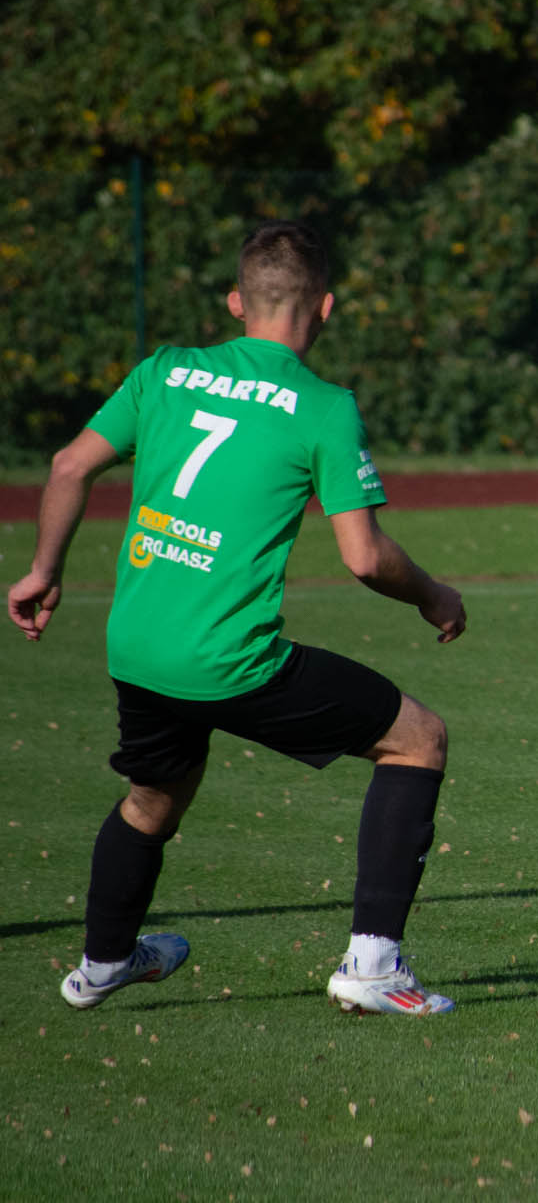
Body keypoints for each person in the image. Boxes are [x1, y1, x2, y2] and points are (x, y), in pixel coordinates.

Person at [8, 220, 468, 1016]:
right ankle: (374, 966)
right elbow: (363, 556)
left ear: (235, 302)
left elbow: (69, 464)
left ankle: (104, 961)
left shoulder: (166, 371)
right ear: (324, 309)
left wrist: (45, 568)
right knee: (417, 739)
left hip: (137, 645)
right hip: (231, 660)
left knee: (154, 797)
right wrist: (432, 593)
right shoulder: (323, 407)